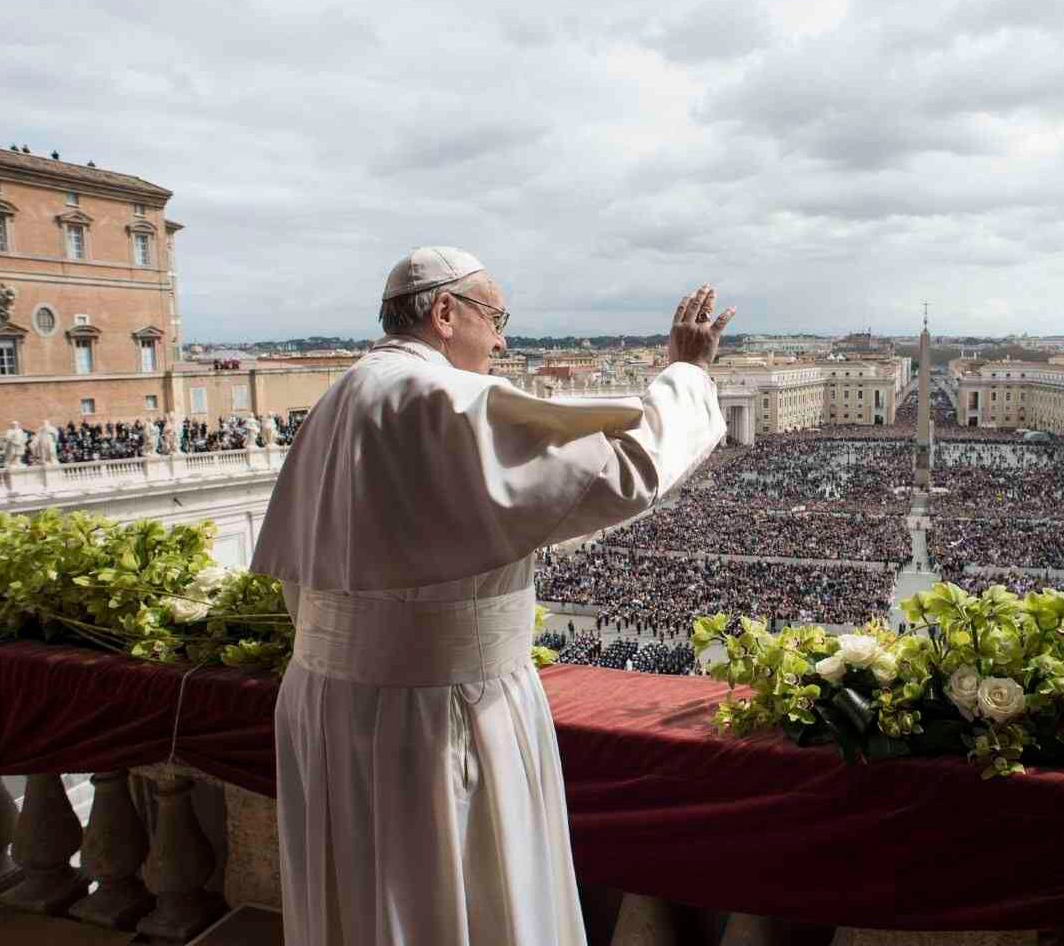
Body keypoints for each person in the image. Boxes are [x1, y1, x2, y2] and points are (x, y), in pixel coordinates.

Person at [251, 246, 733, 946]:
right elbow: (623, 469)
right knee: (458, 897)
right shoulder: (438, 397)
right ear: (446, 312)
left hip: (325, 700)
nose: (504, 339)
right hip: (440, 708)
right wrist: (686, 371)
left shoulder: (339, 397)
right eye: (498, 317)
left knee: (354, 900)